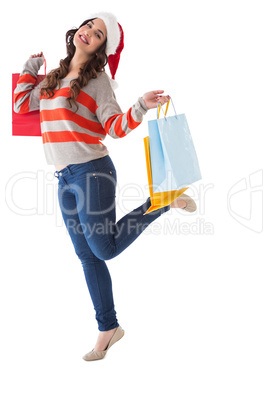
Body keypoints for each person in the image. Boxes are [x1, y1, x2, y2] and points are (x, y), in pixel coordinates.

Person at [13, 12, 196, 361]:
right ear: (78, 30)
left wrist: (140, 105)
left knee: (105, 249)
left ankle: (161, 202)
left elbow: (114, 126)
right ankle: (108, 328)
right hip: (64, 178)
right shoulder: (53, 78)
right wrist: (30, 66)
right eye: (88, 25)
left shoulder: (97, 83)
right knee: (87, 256)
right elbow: (22, 102)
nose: (89, 33)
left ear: (101, 47)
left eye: (98, 34)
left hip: (92, 172)